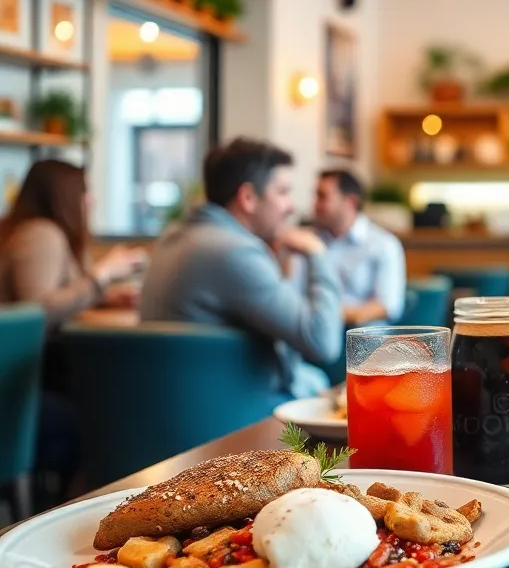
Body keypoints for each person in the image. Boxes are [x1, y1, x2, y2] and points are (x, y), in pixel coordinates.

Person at [140, 138, 341, 399]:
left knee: (314, 380)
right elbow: (323, 342)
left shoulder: (173, 237)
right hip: (232, 415)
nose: (291, 206)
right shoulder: (234, 251)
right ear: (247, 197)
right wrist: (318, 254)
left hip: (181, 403)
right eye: (283, 192)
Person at [0, 159, 145, 335]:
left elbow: (58, 296)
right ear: (63, 195)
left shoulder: (39, 232)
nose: (92, 200)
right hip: (23, 358)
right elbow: (38, 312)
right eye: (84, 191)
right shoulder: (41, 235)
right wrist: (102, 274)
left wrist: (102, 297)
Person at [307, 169, 405, 326]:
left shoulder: (384, 245)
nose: (315, 205)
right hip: (314, 334)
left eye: (322, 197)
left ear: (350, 202)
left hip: (364, 339)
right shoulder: (309, 240)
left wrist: (326, 314)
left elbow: (386, 306)